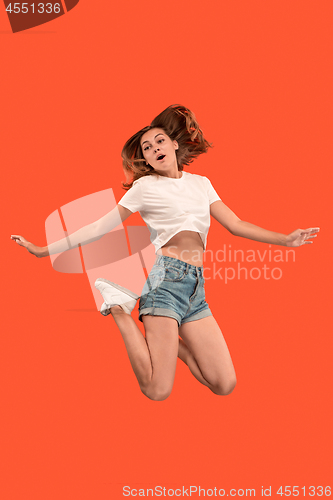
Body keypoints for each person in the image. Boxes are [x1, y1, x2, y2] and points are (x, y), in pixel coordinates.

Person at [11, 104, 320, 401]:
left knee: (223, 384)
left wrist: (285, 239)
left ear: (174, 145)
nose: (154, 148)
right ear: (145, 157)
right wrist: (42, 250)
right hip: (166, 283)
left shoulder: (201, 184)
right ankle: (118, 307)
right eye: (146, 147)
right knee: (157, 390)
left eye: (159, 141)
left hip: (195, 288)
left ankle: (170, 341)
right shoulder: (145, 187)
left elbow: (236, 224)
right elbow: (98, 227)